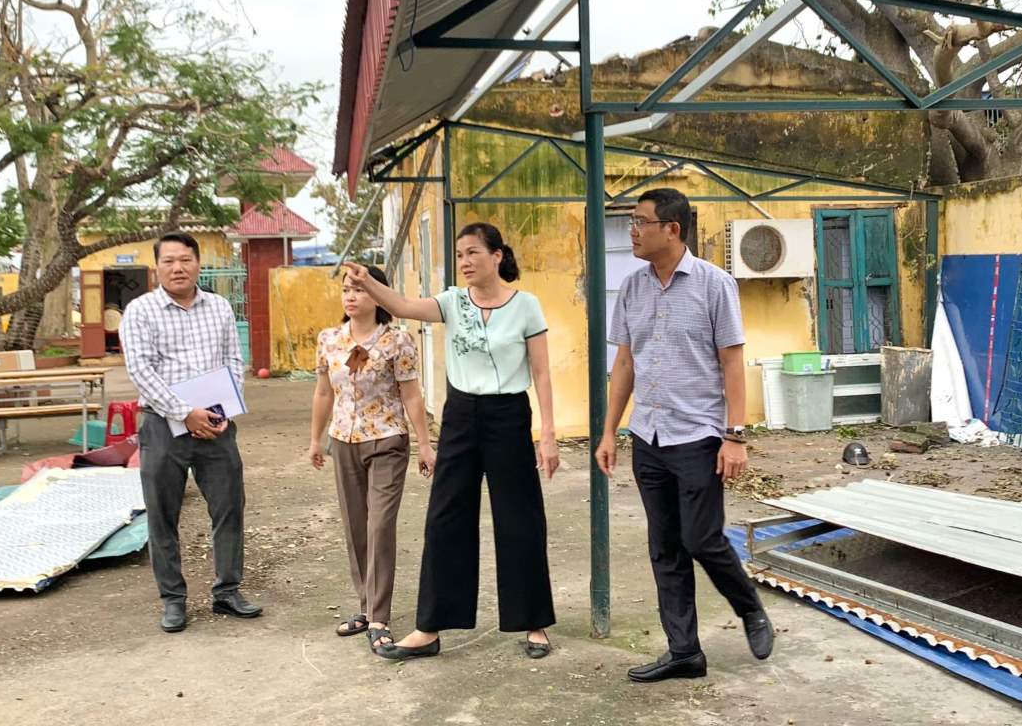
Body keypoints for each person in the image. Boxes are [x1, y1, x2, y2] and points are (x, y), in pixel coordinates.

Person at [343, 221, 560, 661]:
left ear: (497, 256)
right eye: (460, 254)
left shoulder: (526, 306)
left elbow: (541, 372)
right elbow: (402, 305)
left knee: (519, 519)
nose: (464, 261)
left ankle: (533, 621)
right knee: (445, 519)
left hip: (509, 416)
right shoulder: (452, 302)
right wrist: (368, 281)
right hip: (460, 415)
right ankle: (431, 627)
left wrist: (549, 434)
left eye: (473, 252)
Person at [594, 188, 773, 684]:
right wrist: (610, 430)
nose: (632, 230)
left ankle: (751, 609)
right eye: (632, 222)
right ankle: (684, 651)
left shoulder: (716, 285)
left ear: (671, 229)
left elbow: (732, 362)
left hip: (698, 434)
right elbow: (625, 363)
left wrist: (735, 436)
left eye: (640, 222)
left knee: (702, 538)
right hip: (648, 434)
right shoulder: (631, 288)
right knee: (665, 546)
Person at [120, 231, 261, 633]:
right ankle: (173, 600)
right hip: (162, 425)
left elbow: (234, 360)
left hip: (216, 426)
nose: (178, 268)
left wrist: (220, 412)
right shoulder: (141, 311)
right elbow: (140, 371)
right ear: (157, 267)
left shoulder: (218, 307)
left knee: (229, 507)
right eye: (169, 261)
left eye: (185, 260)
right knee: (163, 515)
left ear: (198, 263)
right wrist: (186, 414)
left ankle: (227, 591)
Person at [308, 264, 436, 653]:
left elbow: (412, 395)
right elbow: (323, 393)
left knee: (380, 525)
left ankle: (379, 617)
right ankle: (365, 607)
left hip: (387, 440)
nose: (351, 296)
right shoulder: (329, 339)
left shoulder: (398, 340)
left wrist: (425, 444)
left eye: (360, 290)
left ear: (378, 294)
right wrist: (315, 440)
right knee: (355, 526)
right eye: (346, 289)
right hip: (343, 441)